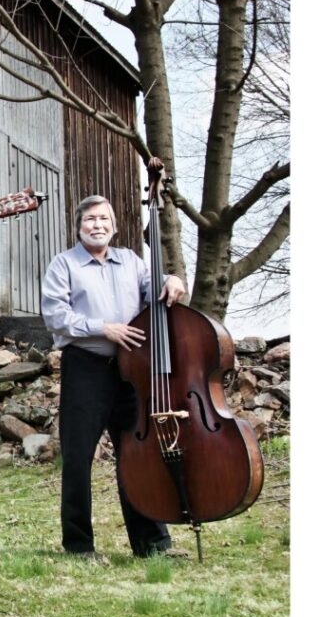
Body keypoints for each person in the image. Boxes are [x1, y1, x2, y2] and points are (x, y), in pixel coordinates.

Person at [41, 195, 187, 562]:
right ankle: (79, 546)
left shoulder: (133, 262)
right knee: (78, 458)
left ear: (116, 226)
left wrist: (172, 280)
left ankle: (151, 544)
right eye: (90, 219)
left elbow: (155, 290)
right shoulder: (64, 264)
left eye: (104, 218)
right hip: (86, 366)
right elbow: (56, 317)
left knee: (136, 456)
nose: (97, 225)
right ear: (78, 226)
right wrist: (103, 328)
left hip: (130, 371)